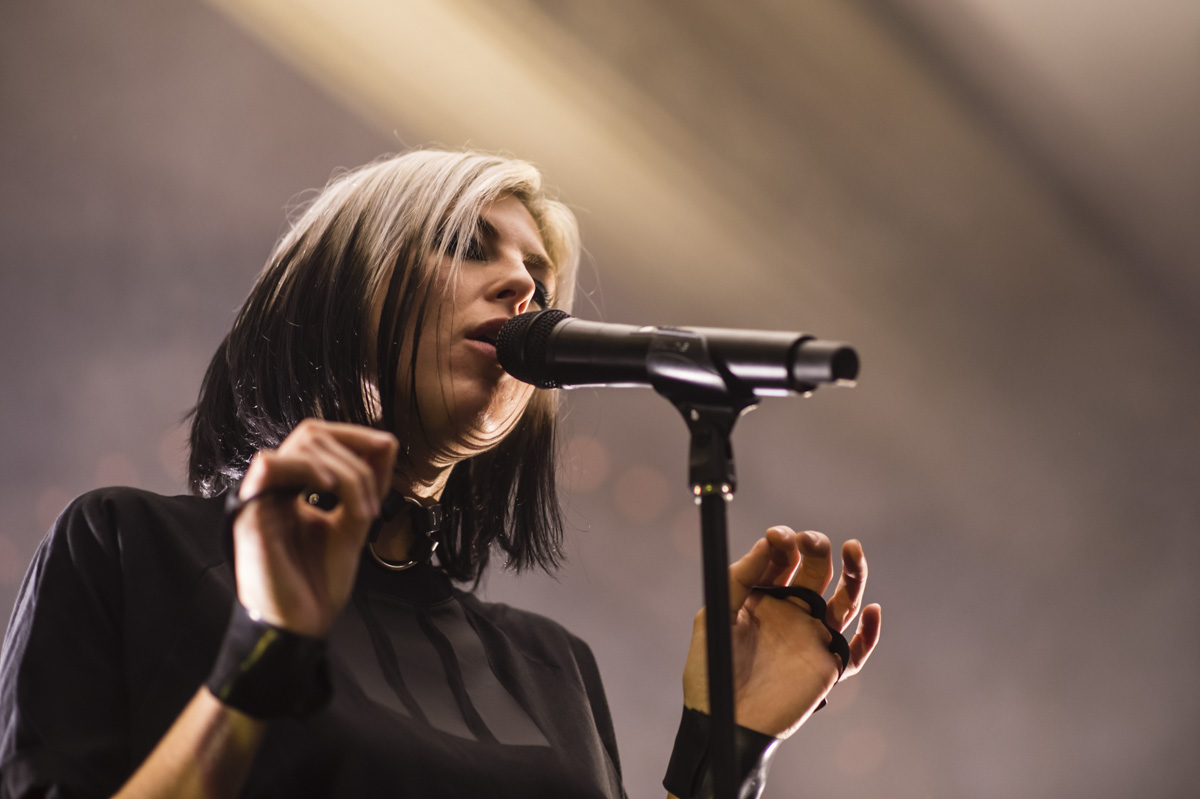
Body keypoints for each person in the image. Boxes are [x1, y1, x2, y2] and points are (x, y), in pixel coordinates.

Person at [0, 149, 881, 799]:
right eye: (467, 245)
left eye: (539, 279)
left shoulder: (549, 665)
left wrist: (724, 750)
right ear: (341, 289)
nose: (521, 287)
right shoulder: (130, 547)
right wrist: (265, 650)